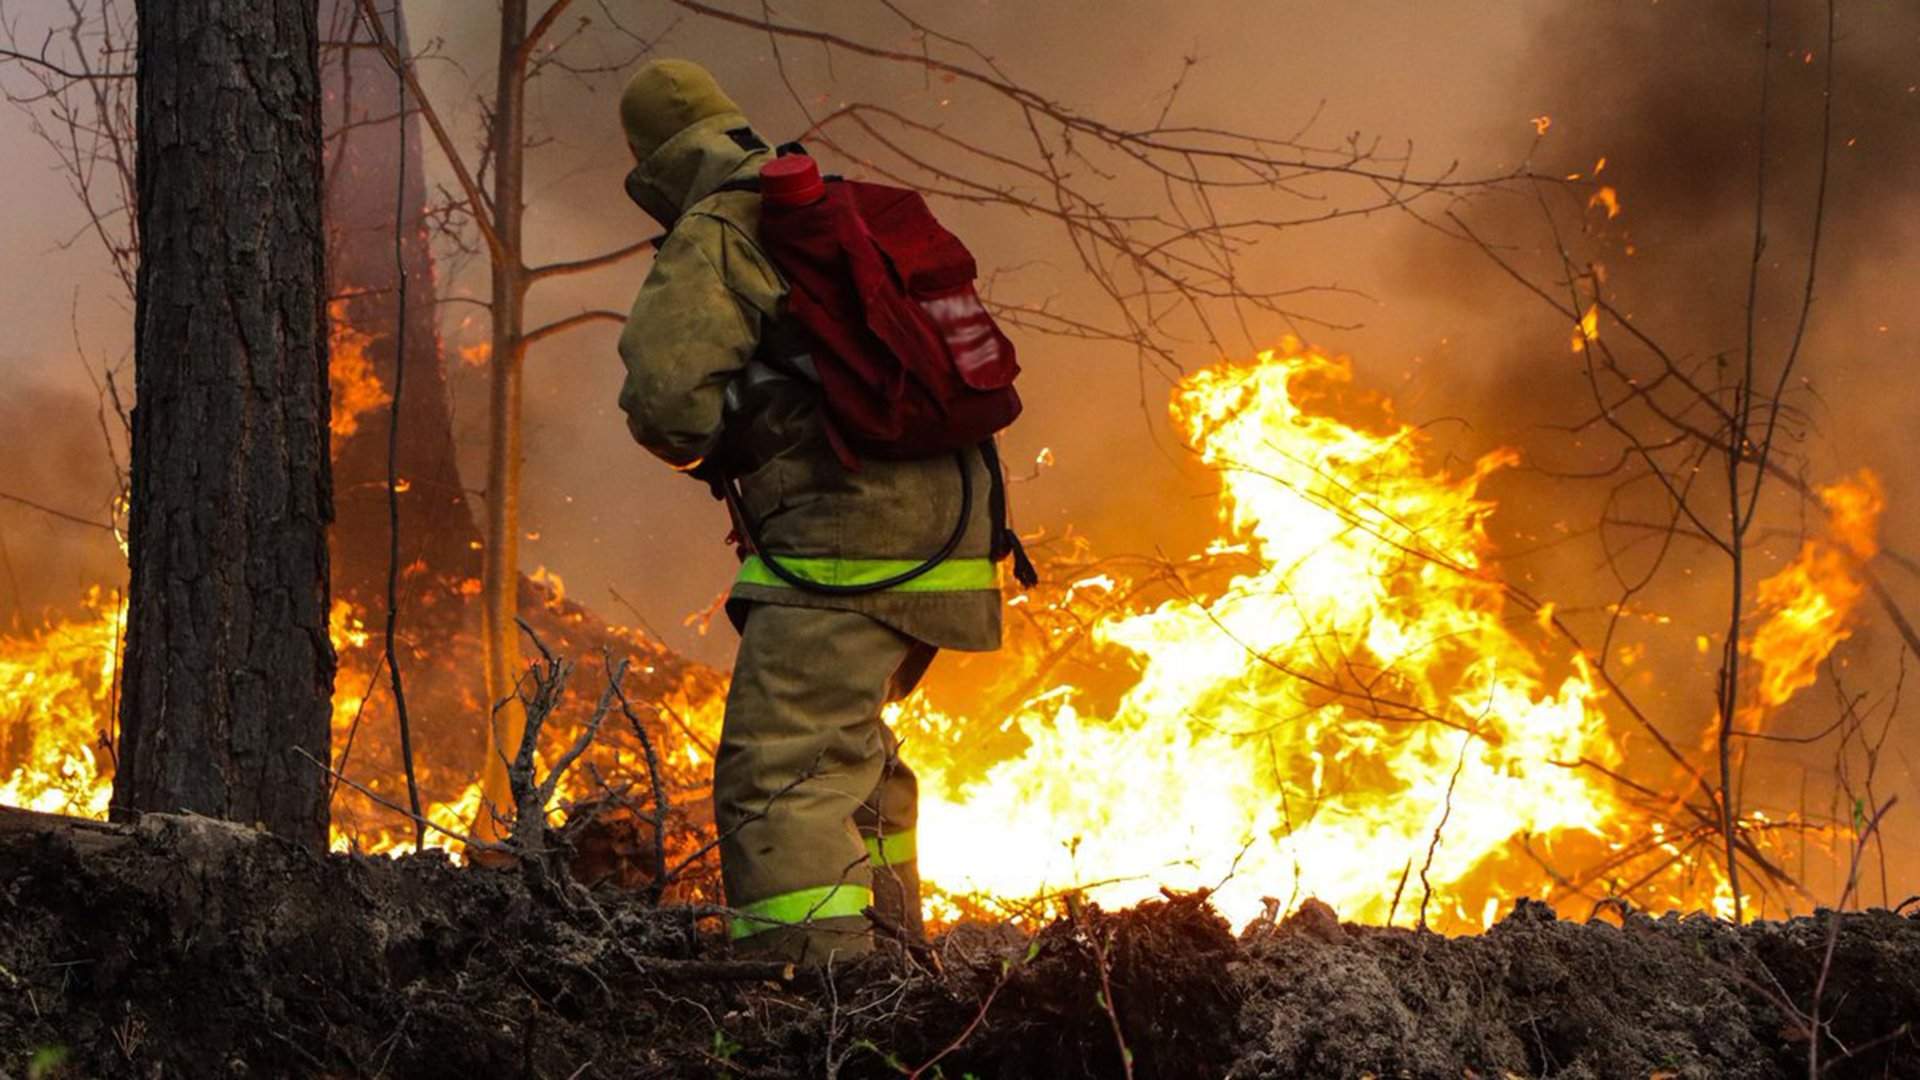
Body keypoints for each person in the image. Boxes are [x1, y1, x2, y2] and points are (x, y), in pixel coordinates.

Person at [614, 59, 1006, 963]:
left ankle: (809, 990)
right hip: (953, 534)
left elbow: (666, 403)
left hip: (850, 538)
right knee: (850, 755)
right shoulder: (831, 208)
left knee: (784, 767)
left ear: (655, 166)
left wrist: (740, 437)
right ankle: (890, 963)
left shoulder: (721, 225)